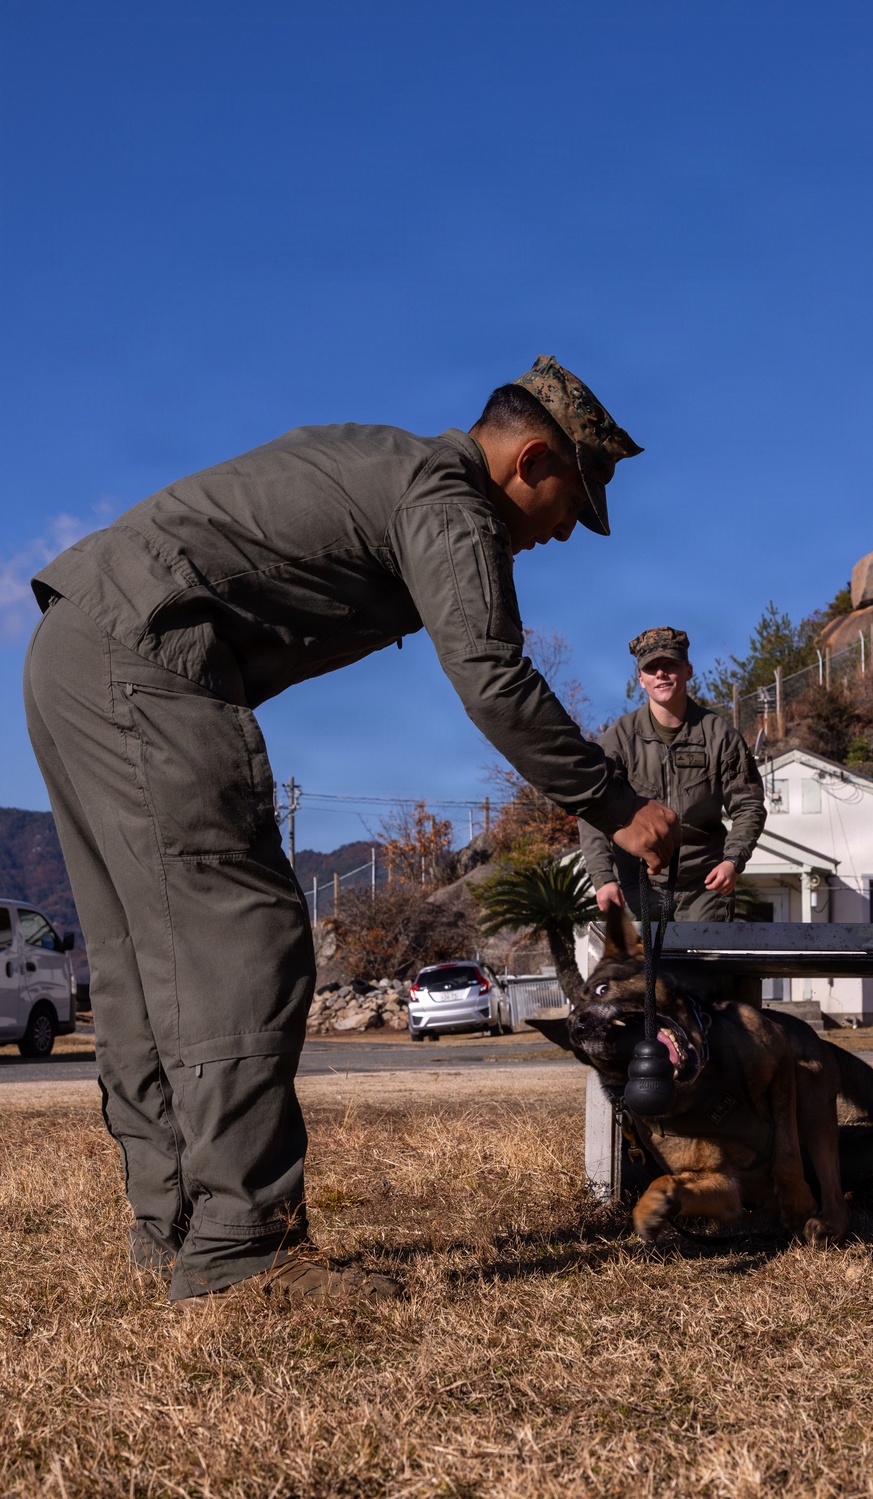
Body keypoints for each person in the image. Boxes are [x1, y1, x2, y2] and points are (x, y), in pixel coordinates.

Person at [23, 355, 680, 1307]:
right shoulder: (448, 498)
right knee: (242, 935)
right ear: (532, 458)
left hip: (72, 646)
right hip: (146, 656)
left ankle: (174, 1230)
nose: (566, 531)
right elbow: (492, 677)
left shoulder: (392, 463)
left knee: (141, 960)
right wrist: (619, 803)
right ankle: (244, 1252)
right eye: (574, 503)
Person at [579, 627, 765, 922]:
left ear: (688, 670)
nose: (661, 674)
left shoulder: (719, 736)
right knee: (642, 970)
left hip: (704, 887)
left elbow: (748, 805)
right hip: (637, 886)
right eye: (651, 668)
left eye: (671, 665)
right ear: (640, 679)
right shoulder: (619, 739)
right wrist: (604, 879)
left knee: (704, 967)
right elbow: (593, 811)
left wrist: (733, 861)